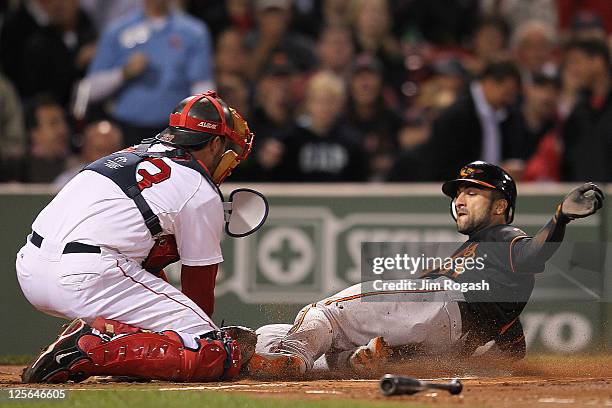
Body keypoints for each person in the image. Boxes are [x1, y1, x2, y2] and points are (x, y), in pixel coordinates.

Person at [246, 161, 603, 377]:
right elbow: (510, 341)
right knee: (329, 345)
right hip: (447, 336)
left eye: (473, 192)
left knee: (330, 314)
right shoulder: (485, 260)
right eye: (458, 193)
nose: (460, 200)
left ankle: (289, 353)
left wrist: (558, 219)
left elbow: (530, 256)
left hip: (442, 305)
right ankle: (257, 344)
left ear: (500, 207)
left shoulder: (502, 234)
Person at [17, 91, 255, 383]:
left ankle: (104, 343)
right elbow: (199, 291)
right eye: (227, 145)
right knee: (216, 351)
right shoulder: (199, 189)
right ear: (215, 142)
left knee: (150, 282)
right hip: (88, 275)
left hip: (31, 268)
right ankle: (91, 347)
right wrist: (196, 332)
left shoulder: (127, 154)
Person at [83, 0, 214, 147]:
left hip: (174, 130)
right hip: (126, 129)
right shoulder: (117, 31)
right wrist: (123, 73)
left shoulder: (194, 32)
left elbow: (202, 84)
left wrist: (199, 126)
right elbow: (90, 89)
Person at [417, 61, 523, 181]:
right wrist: (488, 173)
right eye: (507, 93)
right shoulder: (455, 116)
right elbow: (443, 165)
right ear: (489, 83)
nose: (510, 99)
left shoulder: (507, 114)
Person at [561, 38, 612, 182]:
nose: (572, 69)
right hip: (584, 197)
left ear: (598, 62)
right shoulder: (578, 111)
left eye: (577, 61)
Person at [53, 120, 124, 188]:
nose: (105, 157)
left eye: (111, 151)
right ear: (85, 150)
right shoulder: (67, 182)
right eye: (99, 150)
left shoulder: (130, 182)